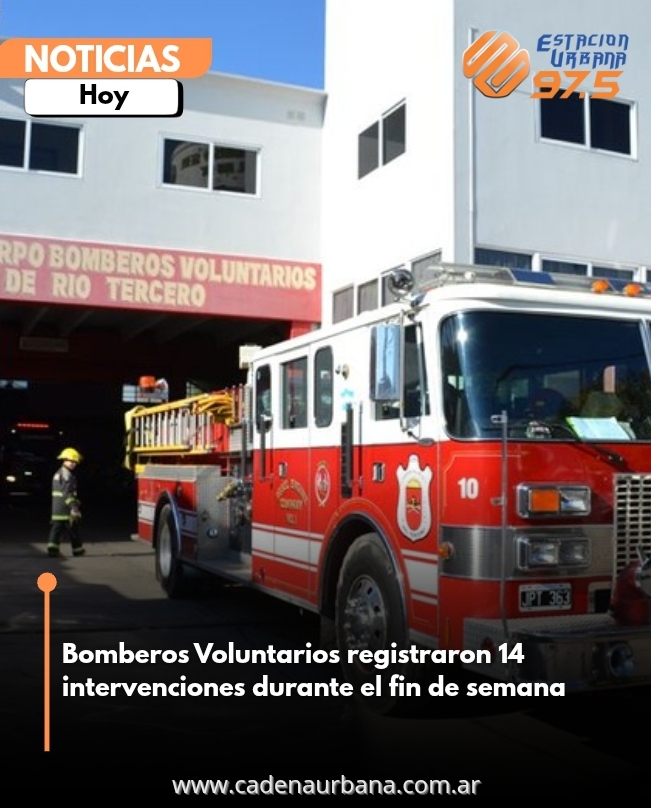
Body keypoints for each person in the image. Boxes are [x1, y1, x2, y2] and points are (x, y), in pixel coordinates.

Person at [47, 447, 85, 557]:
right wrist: (74, 506)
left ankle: (53, 551)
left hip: (58, 507)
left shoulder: (60, 473)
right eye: (72, 461)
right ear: (65, 460)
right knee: (72, 530)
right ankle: (78, 551)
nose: (74, 464)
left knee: (57, 531)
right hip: (65, 508)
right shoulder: (66, 475)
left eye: (75, 462)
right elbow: (67, 493)